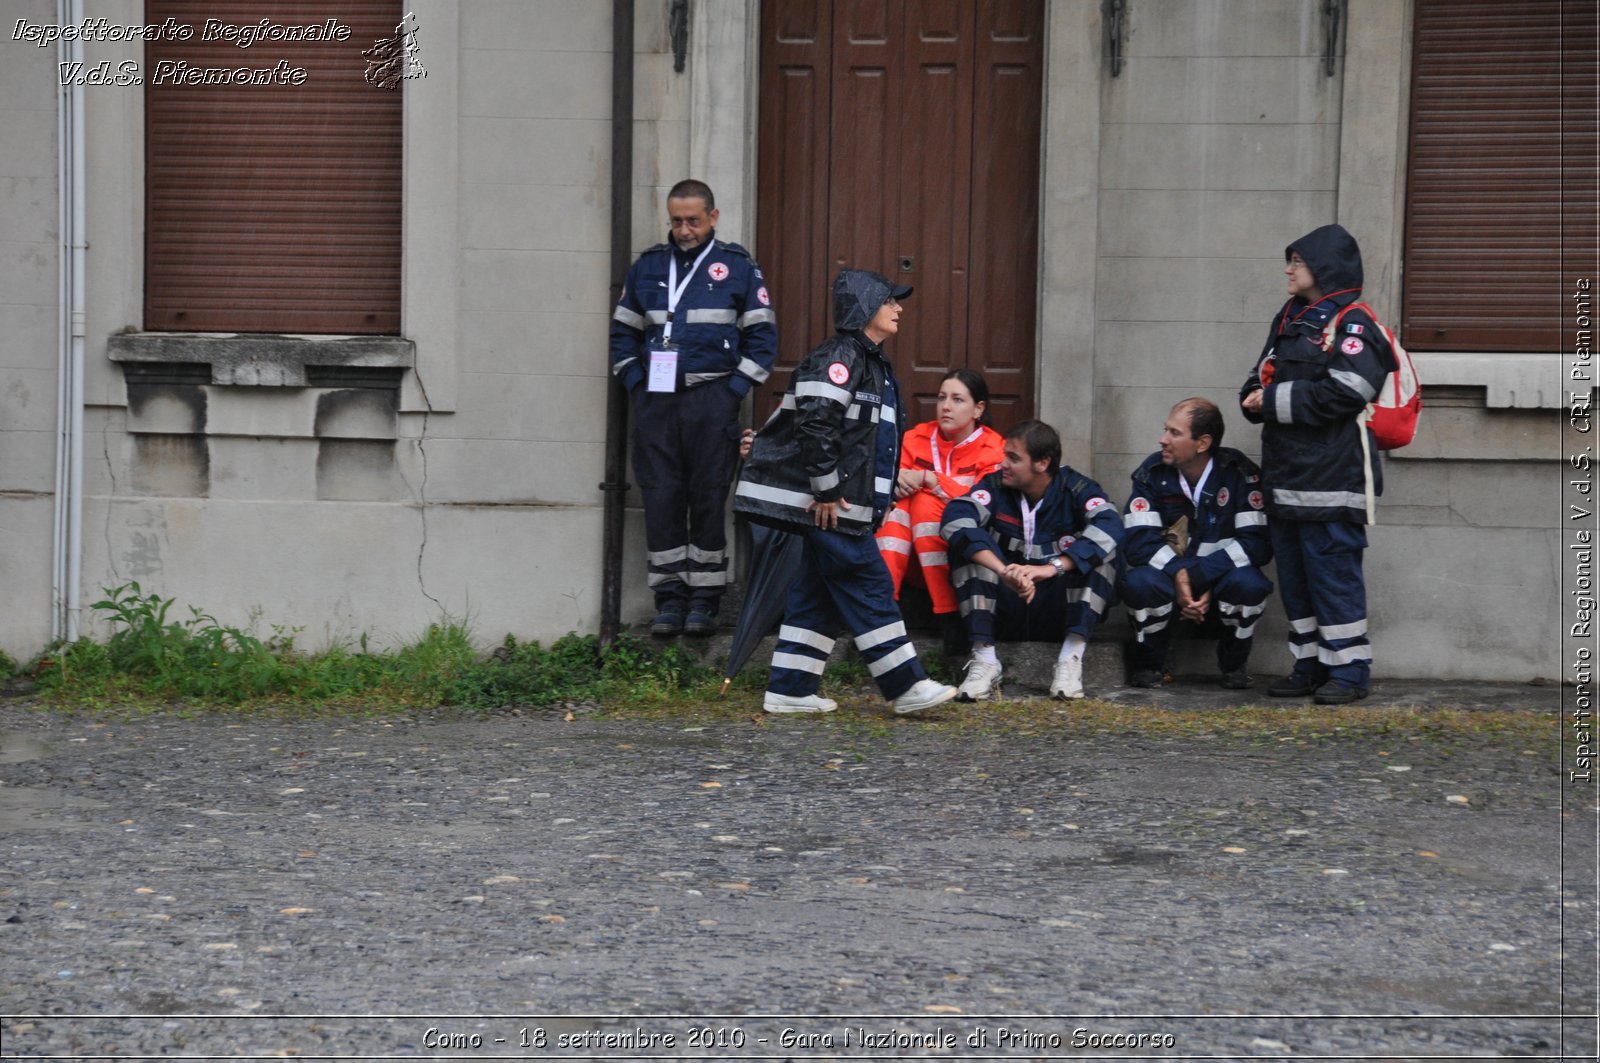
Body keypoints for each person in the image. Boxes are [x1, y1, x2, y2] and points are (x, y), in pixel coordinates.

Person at [734, 269, 958, 716]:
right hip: (832, 506)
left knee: (816, 592)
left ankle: (791, 689)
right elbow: (816, 423)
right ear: (865, 307)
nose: (899, 308)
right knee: (868, 582)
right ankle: (906, 686)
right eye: (889, 301)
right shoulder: (841, 356)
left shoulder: (868, 360)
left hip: (840, 504)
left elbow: (861, 441)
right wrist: (828, 492)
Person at [609, 180, 778, 637]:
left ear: (713, 218)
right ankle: (669, 598)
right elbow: (622, 333)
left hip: (712, 400)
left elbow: (763, 341)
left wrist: (732, 391)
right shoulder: (647, 267)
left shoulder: (738, 268)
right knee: (661, 497)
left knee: (707, 498)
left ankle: (704, 599)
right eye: (677, 221)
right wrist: (635, 383)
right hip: (655, 403)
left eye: (693, 221)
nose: (684, 230)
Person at [1240, 223, 1396, 705]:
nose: (1288, 269)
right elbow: (1257, 377)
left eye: (1297, 262)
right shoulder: (1289, 317)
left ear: (1323, 269)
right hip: (1286, 480)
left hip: (1333, 481)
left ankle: (1349, 672)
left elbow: (1347, 393)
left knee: (1334, 579)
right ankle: (1309, 664)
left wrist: (1270, 401)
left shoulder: (1354, 325)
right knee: (1298, 583)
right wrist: (1253, 397)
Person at [941, 420, 1123, 701]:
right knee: (965, 545)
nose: (1003, 464)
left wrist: (1050, 569)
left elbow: (1111, 524)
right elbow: (956, 518)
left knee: (1104, 550)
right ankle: (985, 660)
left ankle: (1070, 659)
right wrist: (1003, 572)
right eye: (1004, 456)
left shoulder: (1076, 488)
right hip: (1005, 604)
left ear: (1042, 463)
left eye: (1013, 458)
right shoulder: (993, 486)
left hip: (1056, 607)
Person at [1120, 398, 1273, 689]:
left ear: (1202, 443)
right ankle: (1150, 665)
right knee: (1140, 582)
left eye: (1174, 433)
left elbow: (1257, 544)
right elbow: (1138, 543)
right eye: (1166, 430)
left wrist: (1202, 578)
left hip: (1221, 587)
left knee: (1249, 583)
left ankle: (1233, 665)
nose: (1162, 439)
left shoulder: (1239, 472)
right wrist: (1179, 574)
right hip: (1169, 586)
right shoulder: (1151, 473)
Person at [874, 368, 1005, 632]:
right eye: (942, 398)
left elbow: (987, 506)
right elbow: (887, 483)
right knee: (899, 506)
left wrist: (933, 481)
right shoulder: (915, 439)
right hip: (910, 564)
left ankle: (950, 613)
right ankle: (880, 610)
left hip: (966, 558)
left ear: (978, 409)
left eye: (957, 400)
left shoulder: (993, 449)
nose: (946, 407)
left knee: (924, 502)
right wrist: (898, 480)